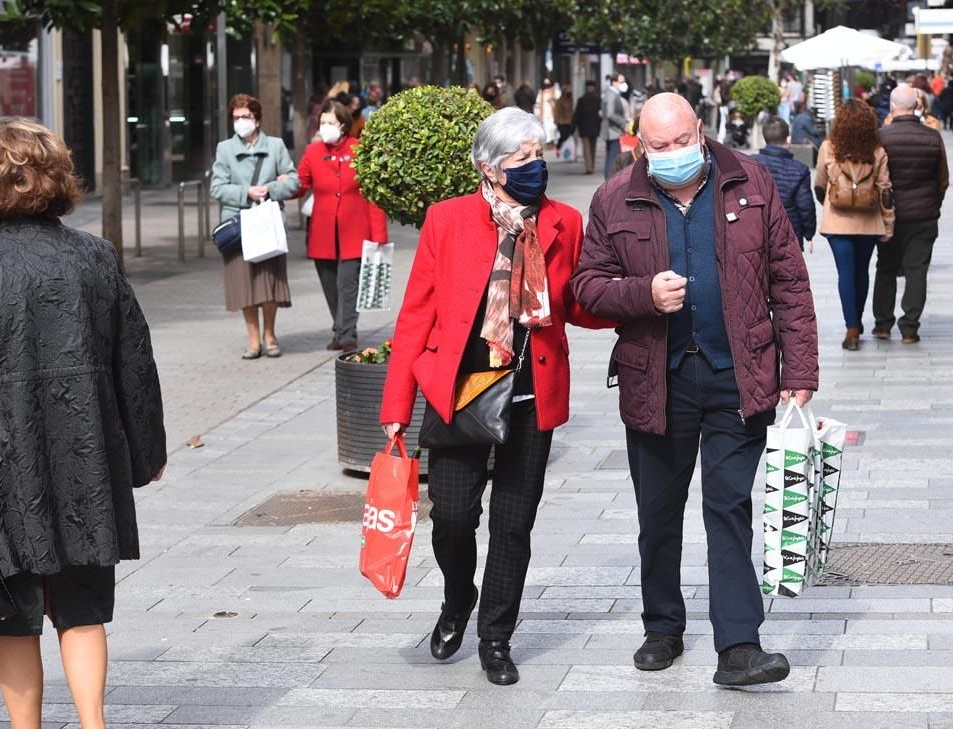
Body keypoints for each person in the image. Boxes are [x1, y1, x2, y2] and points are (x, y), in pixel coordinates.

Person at [572, 93, 818, 687]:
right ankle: (663, 626)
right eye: (660, 146)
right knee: (658, 512)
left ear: (701, 131)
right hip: (656, 378)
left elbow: (788, 278)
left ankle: (739, 644)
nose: (674, 153)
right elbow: (586, 286)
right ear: (639, 143)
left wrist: (801, 372)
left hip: (740, 374)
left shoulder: (751, 182)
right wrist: (642, 296)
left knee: (728, 505)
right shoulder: (615, 197)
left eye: (683, 141)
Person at [379, 107, 612, 686]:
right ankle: (458, 598)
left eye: (540, 154)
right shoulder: (448, 220)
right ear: (489, 167)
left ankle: (495, 637)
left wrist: (633, 302)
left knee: (513, 524)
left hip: (532, 394)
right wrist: (394, 410)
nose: (537, 166)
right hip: (458, 393)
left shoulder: (563, 222)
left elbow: (576, 304)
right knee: (453, 518)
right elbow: (415, 317)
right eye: (523, 158)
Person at [0, 117, 166, 729]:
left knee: (13, 614)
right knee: (82, 608)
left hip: (3, 465)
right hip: (87, 460)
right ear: (56, 177)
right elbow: (136, 362)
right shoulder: (95, 258)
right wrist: (146, 451)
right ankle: (93, 724)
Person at [210, 94, 300, 359]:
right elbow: (217, 187)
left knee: (268, 281)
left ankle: (270, 334)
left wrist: (271, 188)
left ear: (258, 119)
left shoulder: (275, 146)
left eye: (246, 116)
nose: (240, 122)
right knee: (244, 282)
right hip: (238, 226)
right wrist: (246, 192)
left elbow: (293, 181)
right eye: (236, 117)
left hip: (267, 223)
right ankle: (253, 339)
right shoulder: (225, 149)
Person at [296, 99, 388, 352]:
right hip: (323, 231)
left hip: (355, 231)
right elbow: (300, 184)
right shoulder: (312, 152)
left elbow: (372, 195)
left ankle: (347, 334)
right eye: (322, 122)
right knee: (329, 284)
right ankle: (340, 328)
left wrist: (379, 233)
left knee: (348, 284)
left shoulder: (359, 150)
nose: (325, 127)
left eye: (330, 122)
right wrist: (279, 185)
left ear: (343, 125)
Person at [814, 99, 894, 351]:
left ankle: (851, 327)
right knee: (862, 272)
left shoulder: (829, 147)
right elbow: (885, 189)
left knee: (845, 273)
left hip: (837, 222)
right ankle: (856, 321)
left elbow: (819, 183)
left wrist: (829, 203)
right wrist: (889, 222)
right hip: (869, 221)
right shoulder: (877, 151)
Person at [873, 85, 949, 344]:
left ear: (893, 107)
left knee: (886, 268)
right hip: (924, 216)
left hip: (890, 215)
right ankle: (909, 328)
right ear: (917, 106)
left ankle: (883, 325)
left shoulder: (881, 137)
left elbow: (876, 178)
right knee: (917, 271)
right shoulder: (932, 136)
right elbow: (943, 179)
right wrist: (933, 204)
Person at [753, 116, 817, 250]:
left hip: (755, 231)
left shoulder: (749, 163)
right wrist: (809, 233)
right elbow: (805, 206)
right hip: (789, 233)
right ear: (788, 139)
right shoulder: (799, 169)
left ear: (764, 139)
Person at [601, 74, 630, 179]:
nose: (624, 85)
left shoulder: (611, 94)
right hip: (613, 131)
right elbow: (610, 113)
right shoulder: (611, 95)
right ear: (614, 82)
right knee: (613, 157)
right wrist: (623, 123)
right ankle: (610, 179)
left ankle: (609, 179)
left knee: (611, 156)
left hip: (611, 130)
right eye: (621, 82)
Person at [574, 80, 602, 175]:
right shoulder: (598, 99)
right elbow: (601, 115)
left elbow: (577, 115)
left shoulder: (581, 100)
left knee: (586, 148)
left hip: (584, 127)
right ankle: (591, 166)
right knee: (593, 148)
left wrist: (572, 128)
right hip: (595, 127)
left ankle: (588, 166)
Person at [552, 84, 574, 153]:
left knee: (567, 137)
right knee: (563, 136)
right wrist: (556, 120)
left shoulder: (572, 100)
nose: (568, 94)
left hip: (569, 121)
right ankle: (559, 149)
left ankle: (566, 151)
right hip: (561, 122)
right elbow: (556, 111)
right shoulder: (560, 101)